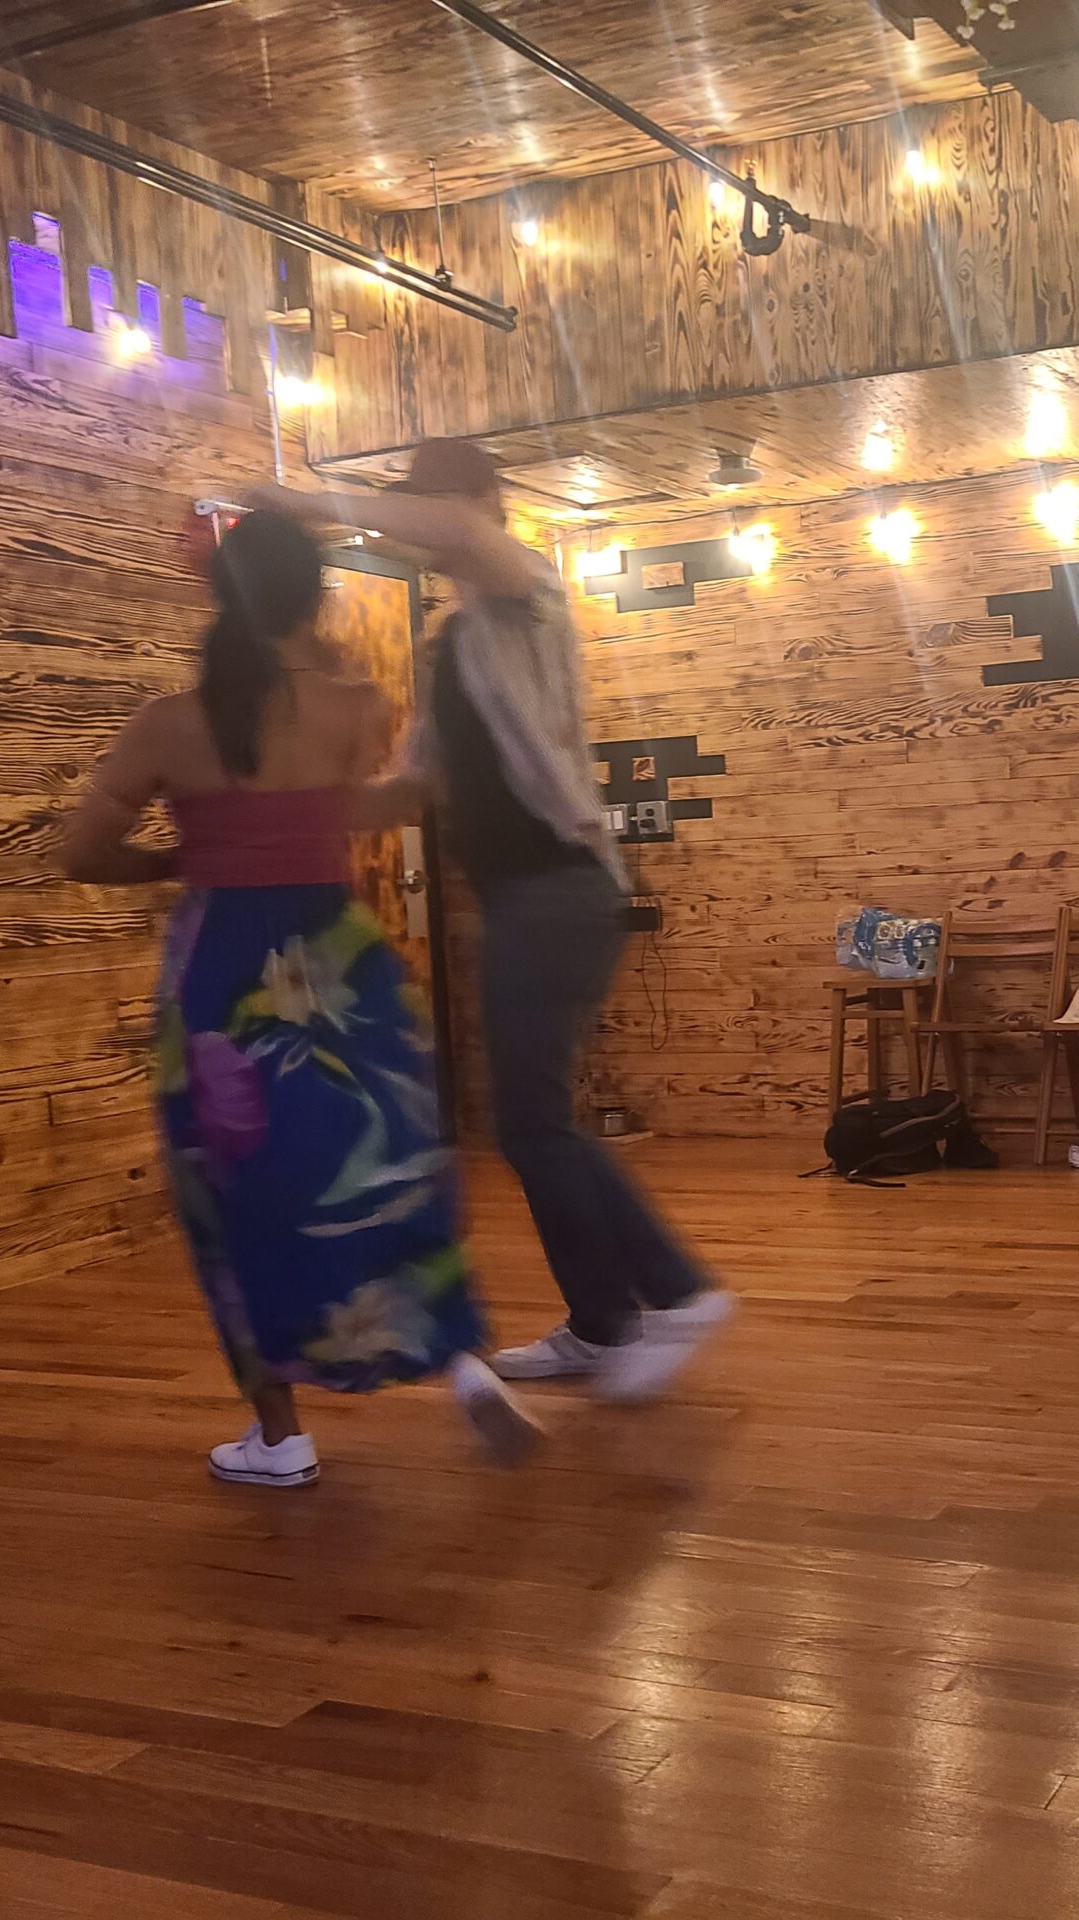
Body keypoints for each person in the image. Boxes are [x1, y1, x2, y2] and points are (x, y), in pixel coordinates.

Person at [248, 442, 732, 1405]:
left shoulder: (528, 592)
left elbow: (459, 530)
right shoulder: (453, 647)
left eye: (431, 509)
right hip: (518, 898)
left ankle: (675, 1291)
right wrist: (291, 811)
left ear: (481, 502)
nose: (423, 533)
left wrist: (297, 499)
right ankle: (602, 1324)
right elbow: (422, 783)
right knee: (528, 1123)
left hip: (561, 885)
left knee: (535, 1122)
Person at [60, 508, 536, 1486]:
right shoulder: (357, 707)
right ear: (313, 594)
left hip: (223, 971)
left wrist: (176, 860)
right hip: (338, 958)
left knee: (236, 1195)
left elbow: (77, 852)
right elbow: (355, 805)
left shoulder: (169, 725)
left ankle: (278, 1436)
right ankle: (457, 1356)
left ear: (214, 593)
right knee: (386, 1162)